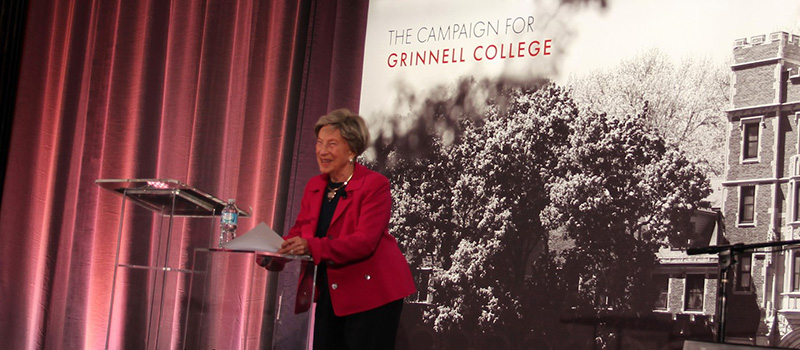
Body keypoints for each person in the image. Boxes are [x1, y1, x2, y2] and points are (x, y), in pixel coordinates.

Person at [279, 108, 416, 350]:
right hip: (333, 291)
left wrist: (311, 246)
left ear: (352, 150)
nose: (322, 151)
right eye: (320, 143)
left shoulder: (374, 185)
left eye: (331, 144)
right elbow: (302, 230)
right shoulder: (314, 186)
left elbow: (364, 241)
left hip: (374, 292)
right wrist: (275, 252)